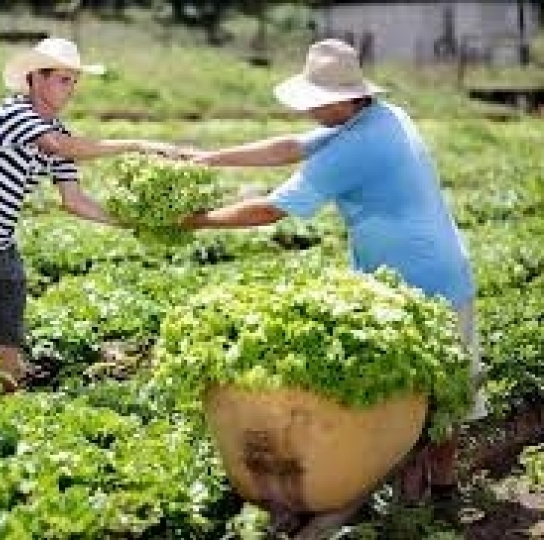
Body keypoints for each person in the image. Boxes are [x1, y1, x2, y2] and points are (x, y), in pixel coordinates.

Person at [182, 39, 487, 539]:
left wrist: (197, 221)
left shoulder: (361, 143)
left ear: (347, 98)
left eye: (316, 101)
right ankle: (408, 489)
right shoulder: (378, 117)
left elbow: (272, 209)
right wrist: (209, 159)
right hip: (397, 280)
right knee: (410, 393)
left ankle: (444, 494)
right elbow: (288, 146)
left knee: (443, 396)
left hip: (430, 278)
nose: (310, 109)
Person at [0, 37, 177, 392]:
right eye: (63, 80)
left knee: (8, 336)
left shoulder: (57, 131)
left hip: (0, 240)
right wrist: (139, 144)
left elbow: (74, 200)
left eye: (74, 81)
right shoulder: (14, 113)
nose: (71, 89)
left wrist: (136, 222)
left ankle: (7, 409)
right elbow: (58, 148)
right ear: (36, 78)